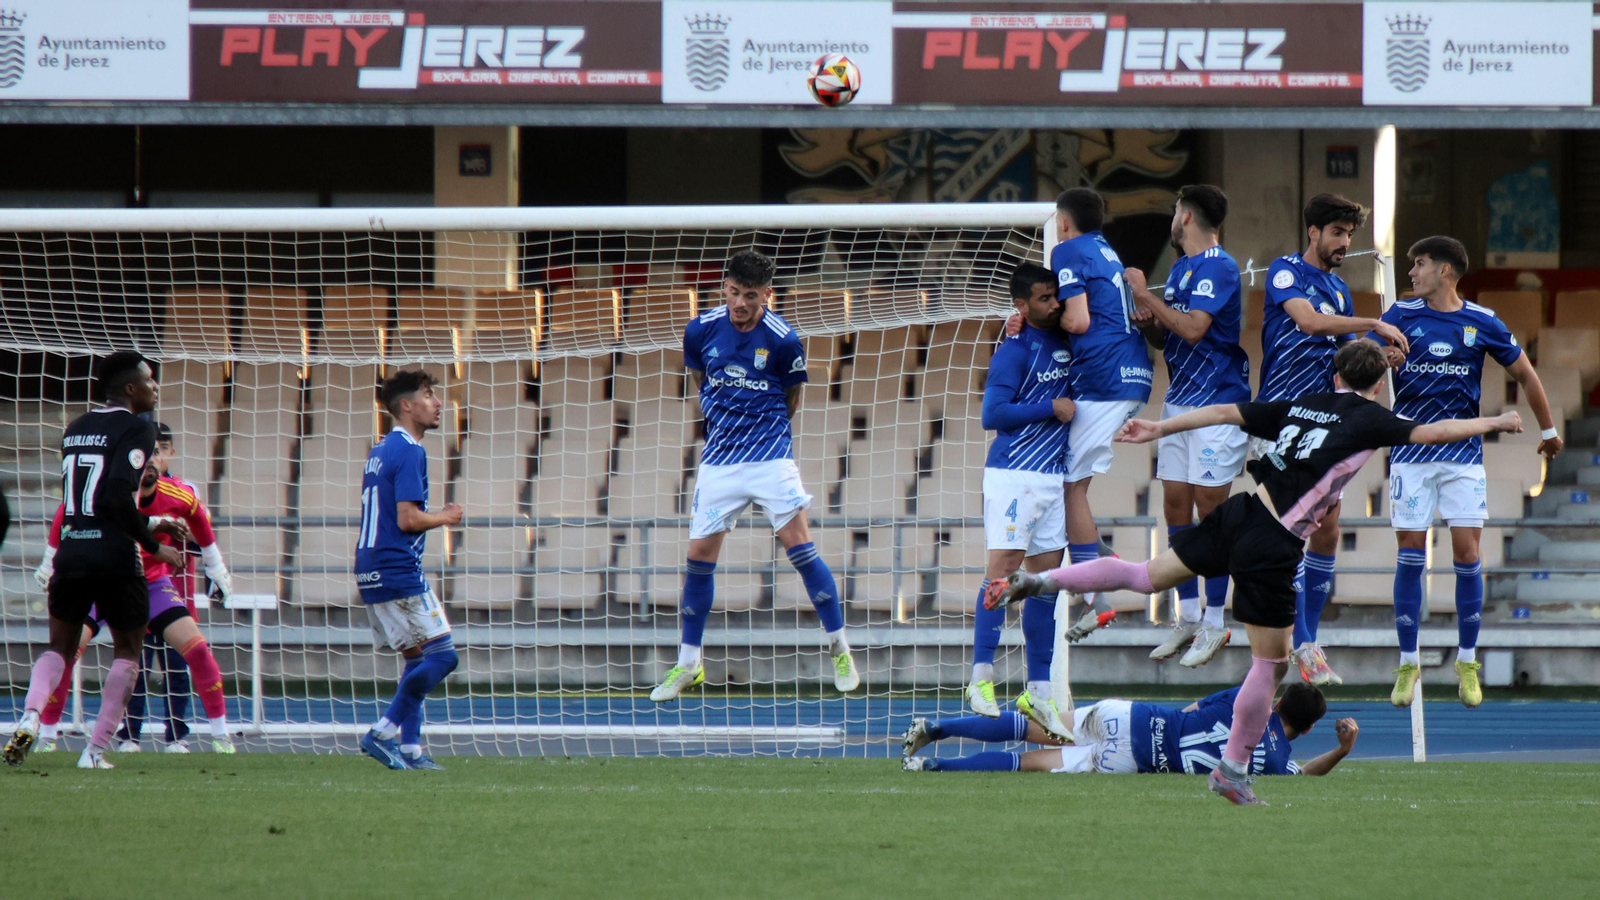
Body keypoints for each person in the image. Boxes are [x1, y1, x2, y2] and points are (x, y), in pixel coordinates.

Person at [991, 339, 1522, 804]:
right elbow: (1437, 431)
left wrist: (1160, 428)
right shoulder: (1372, 419)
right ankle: (1232, 772)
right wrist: (1496, 422)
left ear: (1334, 377)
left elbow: (1224, 412)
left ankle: (1043, 581)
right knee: (1270, 668)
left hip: (1241, 512)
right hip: (1273, 544)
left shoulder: (1302, 404)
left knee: (1142, 575)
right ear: (1379, 385)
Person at [650, 250, 860, 703]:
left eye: (749, 295)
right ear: (723, 287)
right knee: (698, 559)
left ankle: (839, 647)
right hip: (719, 460)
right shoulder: (700, 329)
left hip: (769, 459)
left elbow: (792, 398)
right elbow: (698, 382)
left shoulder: (784, 340)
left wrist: (764, 437)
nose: (739, 303)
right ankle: (689, 663)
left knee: (801, 550)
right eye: (732, 292)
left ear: (767, 294)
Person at [1374, 237, 1562, 709]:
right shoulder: (1398, 315)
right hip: (1410, 452)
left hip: (1462, 457)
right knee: (1411, 555)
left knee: (1467, 552)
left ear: (1445, 271)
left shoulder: (1482, 322)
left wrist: (1549, 428)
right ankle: (1408, 659)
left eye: (1419, 264)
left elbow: (1526, 374)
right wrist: (1381, 362)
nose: (1412, 272)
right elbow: (1359, 364)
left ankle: (1467, 659)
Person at [5, 351, 188, 769]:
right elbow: (114, 496)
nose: (155, 386)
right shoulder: (136, 429)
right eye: (149, 380)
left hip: (71, 550)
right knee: (127, 649)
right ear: (130, 388)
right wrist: (153, 542)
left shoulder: (76, 427)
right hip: (114, 553)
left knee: (59, 647)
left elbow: (83, 498)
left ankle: (31, 716)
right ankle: (95, 751)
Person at [1258, 194, 1412, 687]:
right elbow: (1307, 322)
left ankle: (1308, 640)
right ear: (1313, 232)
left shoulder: (1341, 291)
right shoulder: (1285, 272)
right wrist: (1373, 322)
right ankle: (1298, 642)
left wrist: (1378, 357)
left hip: (1325, 422)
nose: (1345, 242)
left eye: (1350, 234)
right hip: (1283, 419)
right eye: (1338, 233)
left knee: (1325, 528)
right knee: (1294, 533)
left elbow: (1347, 362)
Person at [33, 448, 237, 754]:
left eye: (156, 452)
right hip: (99, 581)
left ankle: (221, 735)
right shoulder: (106, 490)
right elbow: (66, 511)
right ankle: (48, 735)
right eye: (145, 453)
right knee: (68, 653)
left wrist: (214, 564)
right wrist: (50, 559)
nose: (151, 460)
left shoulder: (177, 494)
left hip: (151, 582)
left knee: (196, 650)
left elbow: (198, 517)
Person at [1125, 184, 1251, 668]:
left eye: (1177, 209)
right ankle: (1189, 615)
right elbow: (1172, 333)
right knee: (1175, 505)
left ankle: (1216, 622)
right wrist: (1148, 321)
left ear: (1188, 216)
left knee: (1209, 512)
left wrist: (1143, 293)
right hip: (1178, 400)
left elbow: (1197, 328)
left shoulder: (1219, 264)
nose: (1173, 217)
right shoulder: (1180, 268)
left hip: (1218, 403)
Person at [962, 262, 1077, 739]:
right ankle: (980, 678)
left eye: (1055, 296)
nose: (1054, 304)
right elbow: (993, 413)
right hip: (1013, 475)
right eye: (1044, 299)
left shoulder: (1070, 335)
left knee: (1044, 585)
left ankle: (1039, 692)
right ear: (1021, 306)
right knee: (1003, 574)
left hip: (1052, 478)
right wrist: (1049, 407)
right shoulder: (1014, 347)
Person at [900, 683, 1358, 778]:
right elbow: (1307, 775)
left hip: (1136, 716)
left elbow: (1193, 707)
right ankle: (935, 765)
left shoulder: (1246, 699)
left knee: (1033, 726)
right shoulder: (1277, 761)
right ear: (1309, 726)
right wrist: (1341, 750)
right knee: (1029, 762)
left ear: (1276, 703)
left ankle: (939, 727)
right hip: (1135, 760)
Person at [355, 370, 463, 770]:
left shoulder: (380, 449)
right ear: (406, 405)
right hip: (396, 565)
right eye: (428, 395)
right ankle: (382, 733)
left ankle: (411, 749)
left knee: (416, 660)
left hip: (370, 567)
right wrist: (445, 517)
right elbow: (407, 519)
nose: (436, 403)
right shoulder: (411, 451)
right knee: (445, 657)